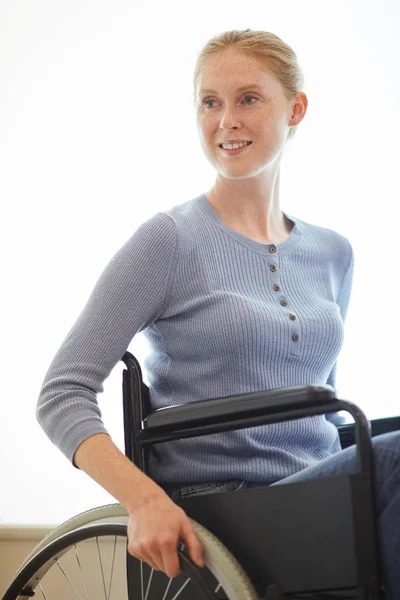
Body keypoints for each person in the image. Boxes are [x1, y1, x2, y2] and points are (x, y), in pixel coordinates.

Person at [36, 28, 399, 597]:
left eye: (248, 99)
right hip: (229, 511)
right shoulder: (169, 240)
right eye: (211, 102)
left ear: (295, 108)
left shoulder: (334, 252)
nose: (226, 120)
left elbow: (320, 401)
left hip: (320, 496)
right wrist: (144, 499)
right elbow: (61, 393)